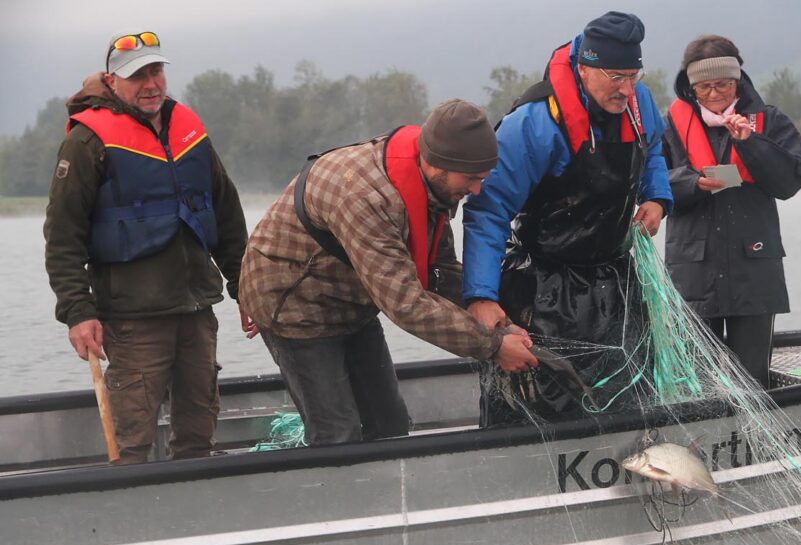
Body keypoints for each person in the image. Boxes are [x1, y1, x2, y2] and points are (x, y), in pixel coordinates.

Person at [239, 99, 538, 446]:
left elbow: (439, 272)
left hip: (352, 298)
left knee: (390, 422)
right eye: (471, 179)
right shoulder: (366, 197)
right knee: (339, 433)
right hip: (291, 301)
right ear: (437, 163)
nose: (476, 191)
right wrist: (493, 346)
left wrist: (492, 314)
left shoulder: (435, 182)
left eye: (483, 179)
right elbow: (407, 305)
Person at [43, 31, 248, 465]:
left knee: (198, 433)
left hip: (196, 312)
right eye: (137, 75)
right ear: (113, 81)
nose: (151, 82)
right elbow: (62, 238)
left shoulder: (190, 130)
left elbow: (226, 214)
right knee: (131, 443)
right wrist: (78, 313)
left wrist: (245, 286)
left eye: (156, 70)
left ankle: (195, 518)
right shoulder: (86, 142)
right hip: (132, 320)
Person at [463, 11, 673, 425]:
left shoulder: (638, 102)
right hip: (544, 288)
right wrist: (481, 296)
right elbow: (488, 211)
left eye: (635, 76)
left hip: (615, 282)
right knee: (543, 412)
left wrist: (658, 198)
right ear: (584, 67)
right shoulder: (533, 122)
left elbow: (654, 152)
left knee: (628, 401)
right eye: (616, 77)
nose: (627, 89)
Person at [663, 35, 801, 389]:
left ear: (739, 81)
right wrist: (693, 182)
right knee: (696, 382)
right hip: (693, 272)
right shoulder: (669, 124)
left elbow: (790, 181)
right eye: (704, 87)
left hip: (755, 271)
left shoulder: (769, 121)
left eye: (723, 85)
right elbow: (647, 181)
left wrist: (751, 144)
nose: (714, 95)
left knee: (752, 382)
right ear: (690, 86)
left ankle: (750, 443)